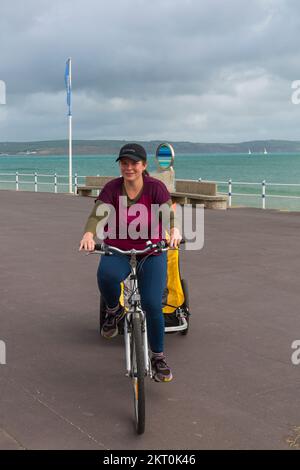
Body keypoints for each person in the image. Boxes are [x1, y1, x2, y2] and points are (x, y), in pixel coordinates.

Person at [79, 143, 182, 382]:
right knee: (106, 275)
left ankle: (158, 357)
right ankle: (114, 311)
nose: (129, 168)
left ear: (144, 166)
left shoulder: (155, 188)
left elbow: (167, 214)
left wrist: (174, 230)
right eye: (124, 163)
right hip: (119, 249)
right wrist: (88, 234)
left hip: (151, 251)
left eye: (134, 163)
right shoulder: (112, 188)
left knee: (152, 305)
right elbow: (98, 214)